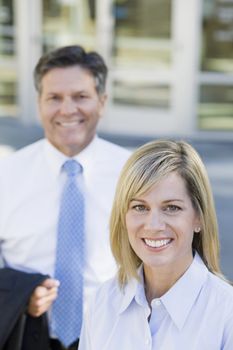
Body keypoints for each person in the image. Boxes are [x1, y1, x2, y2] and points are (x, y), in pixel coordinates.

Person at [0, 45, 130, 349]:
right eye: (54, 98)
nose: (67, 109)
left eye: (81, 97)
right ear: (39, 104)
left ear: (102, 102)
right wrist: (20, 294)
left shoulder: (135, 174)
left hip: (116, 335)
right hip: (27, 334)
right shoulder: (5, 175)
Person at [79, 139, 233, 350]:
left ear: (199, 217)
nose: (153, 225)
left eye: (171, 208)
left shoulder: (226, 314)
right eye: (140, 207)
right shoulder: (102, 303)